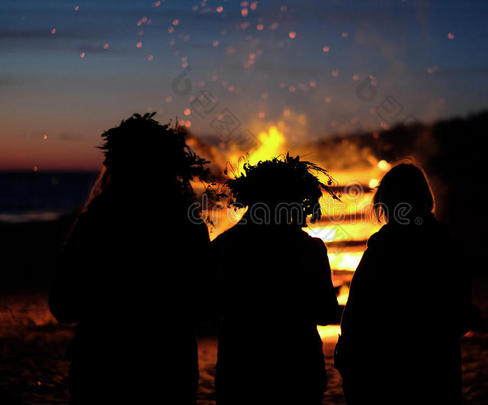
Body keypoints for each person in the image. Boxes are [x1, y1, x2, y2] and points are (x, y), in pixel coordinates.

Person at [49, 113, 211, 405]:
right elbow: (206, 301)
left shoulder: (98, 219)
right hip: (170, 370)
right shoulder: (188, 222)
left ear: (116, 163)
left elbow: (63, 305)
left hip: (102, 368)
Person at [336, 163, 471, 405]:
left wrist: (348, 353)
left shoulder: (383, 246)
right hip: (439, 370)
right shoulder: (446, 241)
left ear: (387, 203)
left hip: (389, 370)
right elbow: (462, 312)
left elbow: (358, 308)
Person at [211, 154, 341, 405]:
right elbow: (327, 313)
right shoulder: (310, 249)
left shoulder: (224, 246)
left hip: (240, 371)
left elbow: (207, 305)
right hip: (298, 371)